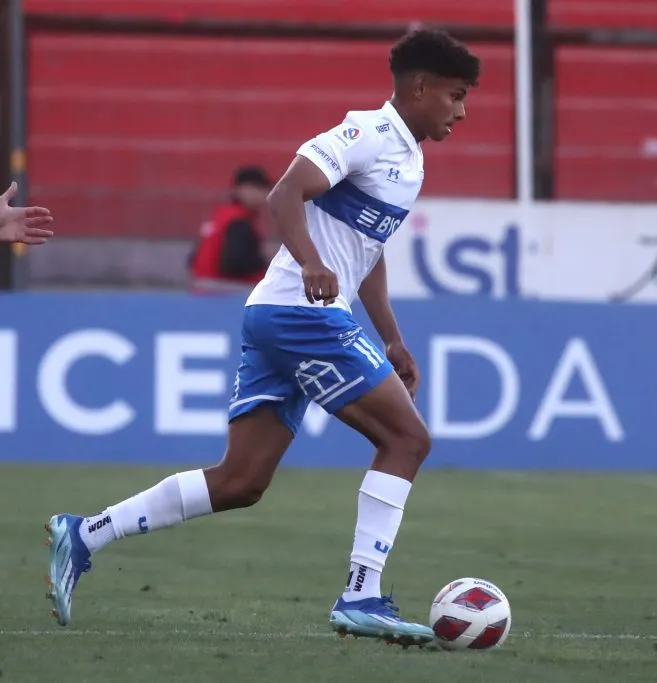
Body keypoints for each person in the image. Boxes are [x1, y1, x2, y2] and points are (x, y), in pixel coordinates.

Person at [44, 29, 481, 646]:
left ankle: (85, 534)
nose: (461, 111)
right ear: (419, 87)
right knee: (408, 439)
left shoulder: (410, 160)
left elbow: (367, 251)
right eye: (455, 96)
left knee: (241, 481)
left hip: (285, 317)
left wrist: (392, 337)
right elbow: (285, 194)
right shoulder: (366, 134)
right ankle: (362, 594)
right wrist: (307, 263)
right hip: (302, 315)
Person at [188, 165, 272, 293]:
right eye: (260, 188)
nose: (265, 194)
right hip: (221, 288)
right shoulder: (239, 222)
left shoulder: (220, 216)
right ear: (243, 189)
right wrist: (264, 265)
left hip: (200, 285)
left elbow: (192, 258)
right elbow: (234, 264)